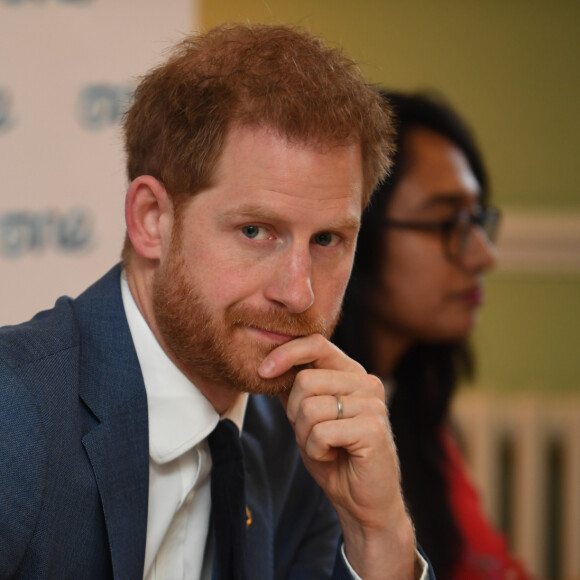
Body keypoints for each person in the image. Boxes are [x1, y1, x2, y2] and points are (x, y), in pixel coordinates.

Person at [0, 25, 434, 580]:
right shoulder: (17, 413)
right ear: (152, 220)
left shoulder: (304, 445)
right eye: (256, 231)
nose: (298, 292)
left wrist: (380, 533)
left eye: (327, 240)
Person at [332, 91, 537, 579]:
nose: (484, 255)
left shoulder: (418, 407)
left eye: (478, 219)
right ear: (359, 233)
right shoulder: (313, 430)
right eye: (449, 221)